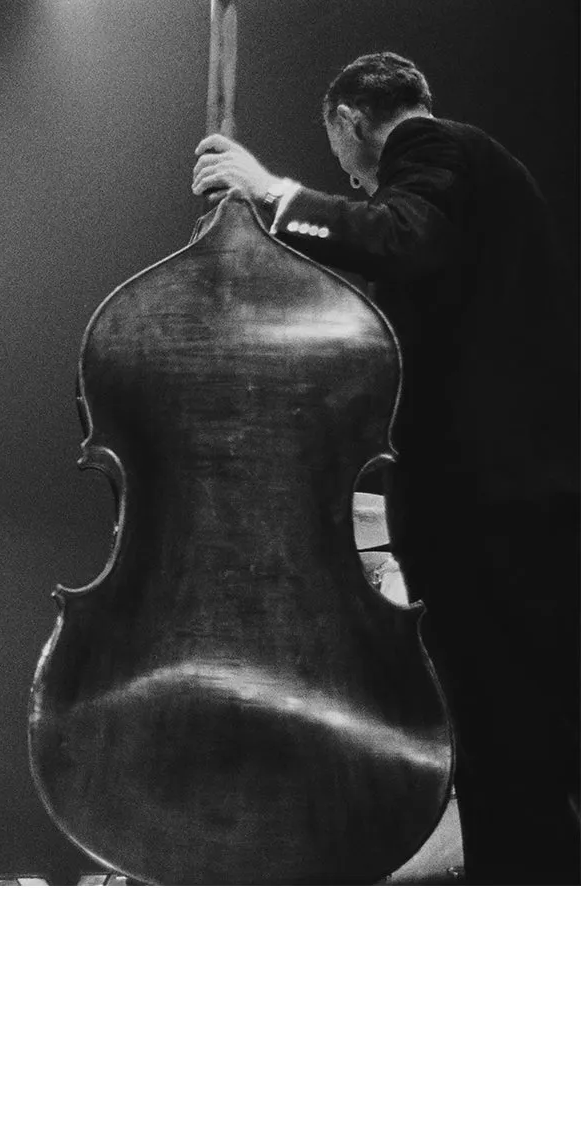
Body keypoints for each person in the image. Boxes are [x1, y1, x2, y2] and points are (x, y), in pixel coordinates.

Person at [191, 50, 580, 883]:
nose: (355, 180)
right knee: (517, 754)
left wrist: (270, 191)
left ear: (349, 122)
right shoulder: (484, 182)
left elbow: (404, 237)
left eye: (338, 153)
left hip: (490, 514)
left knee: (508, 753)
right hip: (510, 505)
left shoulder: (436, 153)